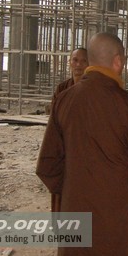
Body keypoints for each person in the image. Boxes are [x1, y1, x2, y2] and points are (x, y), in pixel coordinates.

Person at [36, 32, 128, 256]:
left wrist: (69, 191)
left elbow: (47, 164)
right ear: (118, 61)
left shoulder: (65, 99)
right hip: (116, 209)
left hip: (74, 204)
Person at [47, 47, 88, 212]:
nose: (78, 64)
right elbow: (54, 120)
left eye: (83, 60)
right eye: (75, 60)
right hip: (63, 148)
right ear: (69, 63)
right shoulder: (62, 89)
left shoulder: (91, 89)